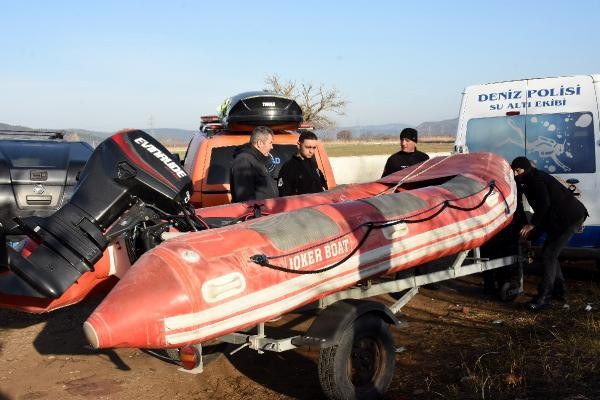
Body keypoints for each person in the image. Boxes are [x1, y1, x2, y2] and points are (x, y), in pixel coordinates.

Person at [511, 156, 588, 311]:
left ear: (522, 170)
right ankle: (560, 294)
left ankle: (544, 299)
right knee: (549, 253)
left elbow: (544, 205)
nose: (514, 174)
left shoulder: (536, 180)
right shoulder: (527, 179)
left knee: (549, 255)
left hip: (569, 218)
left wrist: (532, 224)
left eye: (516, 171)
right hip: (558, 219)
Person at [230, 126, 279, 202]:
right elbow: (245, 198)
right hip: (258, 212)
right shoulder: (244, 161)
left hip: (268, 211)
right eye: (270, 143)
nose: (272, 147)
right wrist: (257, 213)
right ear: (260, 143)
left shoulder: (257, 159)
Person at [277, 130, 328, 196]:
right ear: (298, 145)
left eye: (314, 148)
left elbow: (324, 185)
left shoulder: (314, 165)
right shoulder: (289, 167)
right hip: (302, 205)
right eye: (308, 147)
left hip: (318, 204)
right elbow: (285, 195)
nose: (311, 151)